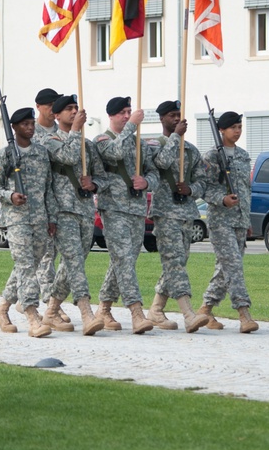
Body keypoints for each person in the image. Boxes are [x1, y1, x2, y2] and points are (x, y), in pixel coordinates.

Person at [0, 108, 58, 338]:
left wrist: (51, 218)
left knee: (27, 266)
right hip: (16, 220)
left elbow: (48, 189)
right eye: (24, 124)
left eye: (31, 123)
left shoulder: (41, 153)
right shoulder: (4, 155)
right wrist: (10, 196)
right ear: (14, 128)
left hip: (39, 220)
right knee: (26, 267)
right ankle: (32, 316)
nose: (30, 127)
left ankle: (2, 308)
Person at [39, 94, 107, 336]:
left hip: (85, 210)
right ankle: (87, 313)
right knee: (75, 262)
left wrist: (94, 184)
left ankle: (51, 310)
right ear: (56, 115)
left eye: (76, 108)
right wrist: (76, 129)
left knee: (72, 265)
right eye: (68, 109)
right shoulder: (49, 141)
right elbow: (67, 156)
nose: (74, 112)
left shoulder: (88, 146)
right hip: (62, 211)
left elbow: (103, 177)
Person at [93, 97, 158, 334]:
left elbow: (153, 172)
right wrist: (132, 125)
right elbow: (115, 153)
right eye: (122, 112)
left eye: (129, 112)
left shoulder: (139, 144)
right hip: (113, 208)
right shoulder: (101, 140)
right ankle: (136, 313)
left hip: (137, 209)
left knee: (125, 261)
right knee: (122, 258)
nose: (127, 116)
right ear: (111, 116)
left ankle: (104, 308)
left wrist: (147, 181)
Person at [146, 101, 210, 333]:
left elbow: (203, 180)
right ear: (162, 118)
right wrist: (175, 137)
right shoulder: (154, 144)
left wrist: (191, 189)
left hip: (186, 213)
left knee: (177, 263)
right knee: (174, 262)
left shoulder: (191, 150)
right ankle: (188, 314)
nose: (176, 119)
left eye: (179, 115)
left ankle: (155, 309)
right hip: (165, 213)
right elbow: (160, 163)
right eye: (172, 116)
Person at [198, 111, 260, 334]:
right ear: (221, 129)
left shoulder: (243, 156)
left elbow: (246, 189)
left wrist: (247, 218)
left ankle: (205, 309)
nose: (238, 131)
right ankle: (244, 313)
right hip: (220, 220)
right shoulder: (212, 156)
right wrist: (222, 199)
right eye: (233, 127)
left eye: (240, 126)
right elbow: (204, 187)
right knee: (233, 265)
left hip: (239, 221)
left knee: (225, 268)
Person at [31, 87, 69, 324]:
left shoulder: (61, 132)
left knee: (61, 256)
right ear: (39, 107)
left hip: (61, 201)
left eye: (56, 106)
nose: (53, 110)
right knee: (45, 257)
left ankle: (41, 302)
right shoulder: (28, 132)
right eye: (48, 106)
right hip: (37, 204)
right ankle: (50, 307)